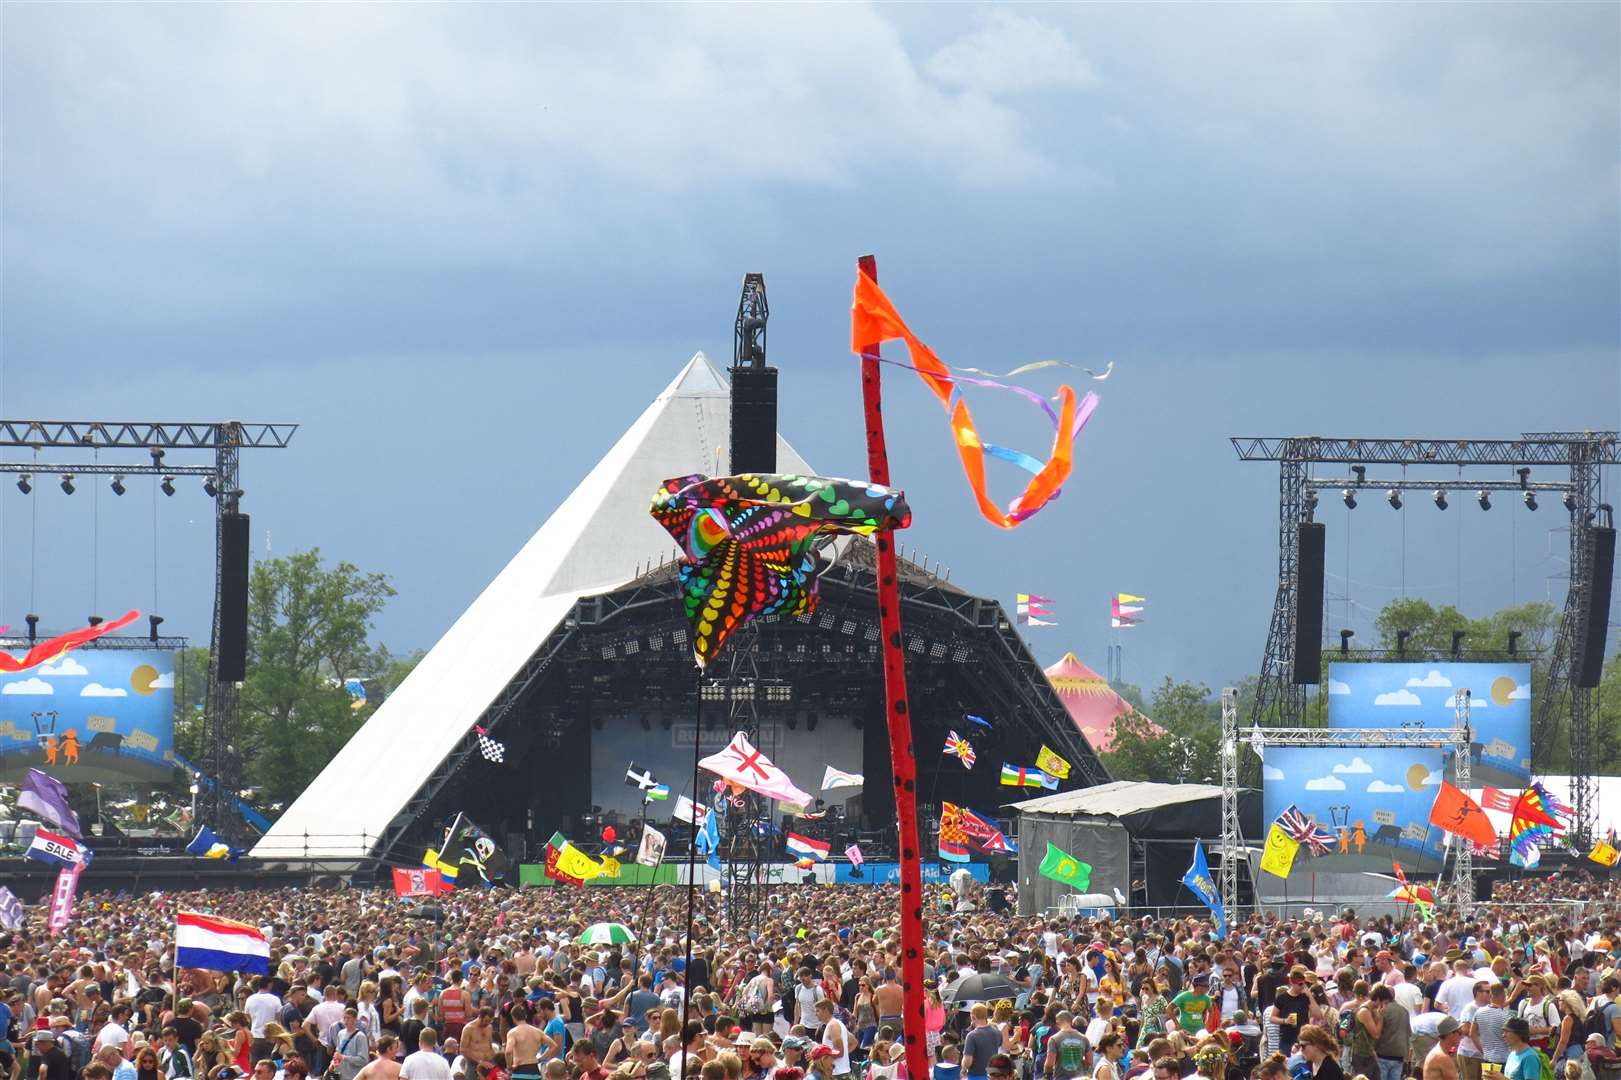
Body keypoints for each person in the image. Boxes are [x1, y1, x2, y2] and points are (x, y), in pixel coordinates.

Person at [813, 1000, 851, 1080]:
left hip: (838, 1073)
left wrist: (818, 1057)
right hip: (840, 1072)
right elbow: (854, 1042)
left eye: (818, 1011)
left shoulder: (833, 1026)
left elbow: (840, 1052)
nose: (815, 1014)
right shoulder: (836, 1024)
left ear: (826, 1010)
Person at [963, 1007, 1004, 1080]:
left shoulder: (971, 1036)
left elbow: (968, 1062)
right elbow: (999, 1045)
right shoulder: (997, 1032)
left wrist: (963, 1066)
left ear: (973, 1017)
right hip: (993, 1075)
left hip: (976, 1075)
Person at [332, 1009, 370, 1080]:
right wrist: (333, 1063)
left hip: (354, 1076)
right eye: (344, 1018)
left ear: (355, 1020)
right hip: (341, 1075)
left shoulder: (360, 1036)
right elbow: (338, 1052)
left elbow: (363, 1060)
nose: (346, 1021)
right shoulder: (340, 1033)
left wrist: (344, 1057)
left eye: (348, 1018)